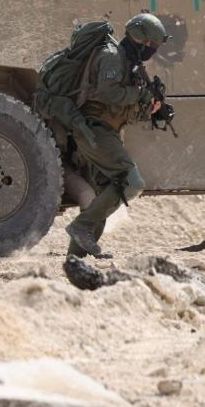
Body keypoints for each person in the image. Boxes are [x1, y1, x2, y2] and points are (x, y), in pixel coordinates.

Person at [64, 13, 169, 259]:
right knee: (131, 183)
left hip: (103, 130)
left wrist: (150, 109)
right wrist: (140, 94)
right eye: (152, 45)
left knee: (106, 191)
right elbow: (108, 94)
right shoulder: (112, 56)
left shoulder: (127, 61)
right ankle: (81, 227)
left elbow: (119, 109)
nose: (152, 51)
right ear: (142, 40)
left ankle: (76, 254)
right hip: (94, 130)